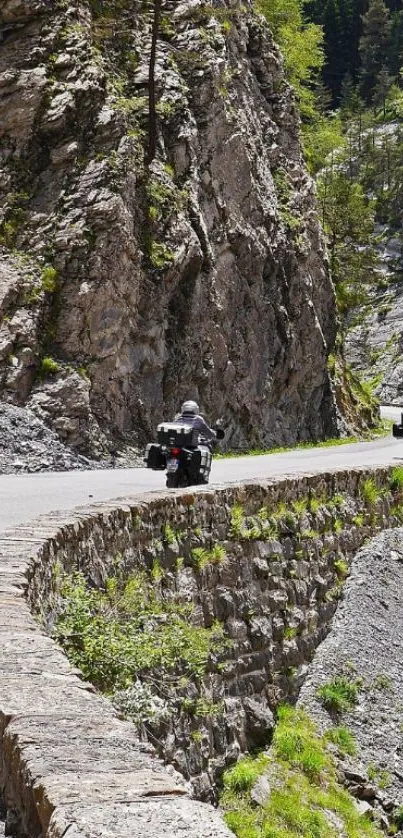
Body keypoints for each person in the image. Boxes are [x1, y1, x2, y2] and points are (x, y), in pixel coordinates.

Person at [176, 400, 216, 483]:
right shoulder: (198, 419)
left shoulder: (178, 419)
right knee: (205, 451)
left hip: (179, 446)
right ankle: (203, 476)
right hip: (192, 446)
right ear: (196, 410)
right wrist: (213, 434)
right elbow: (208, 432)